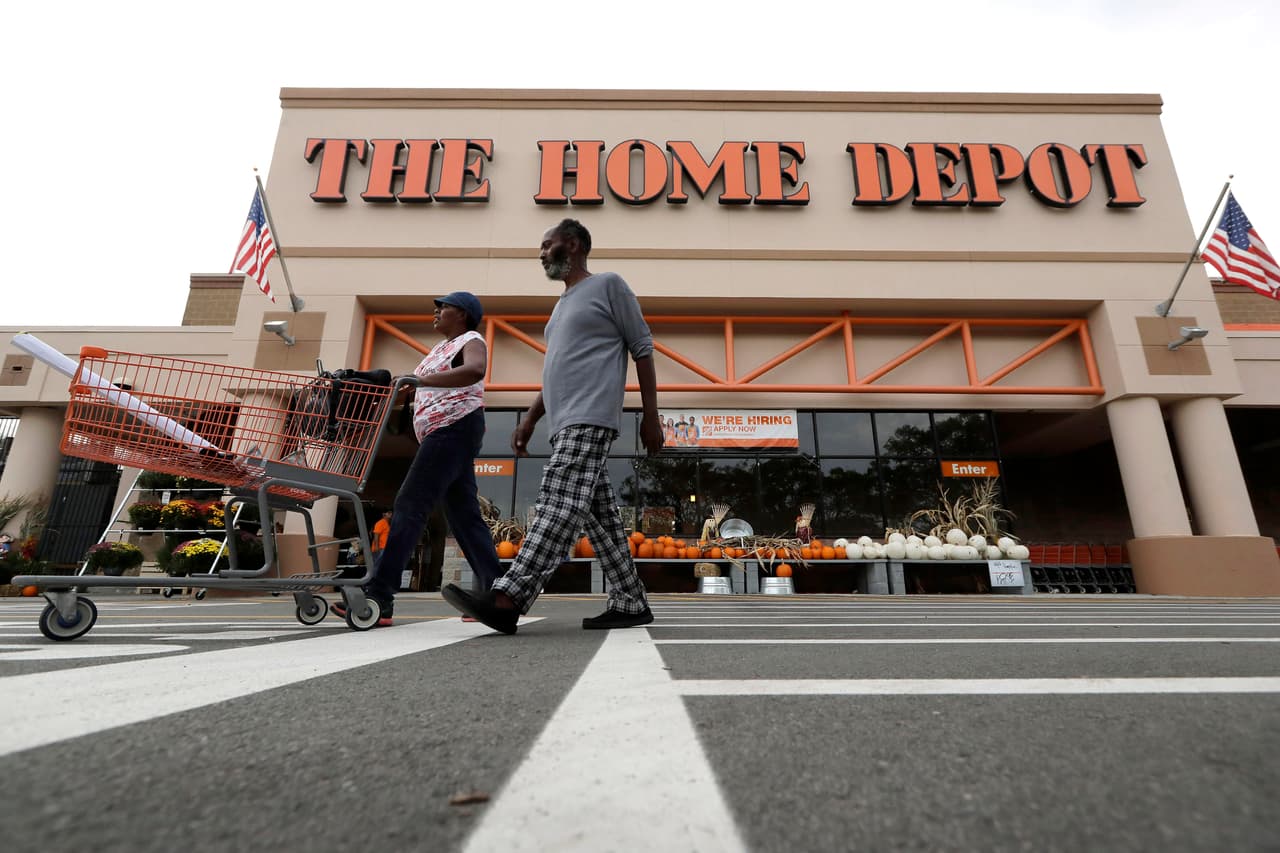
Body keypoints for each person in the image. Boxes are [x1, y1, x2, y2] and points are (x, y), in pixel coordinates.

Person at [442, 218, 663, 634]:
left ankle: (510, 595)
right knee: (600, 519)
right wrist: (529, 419)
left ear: (574, 245)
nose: (541, 252)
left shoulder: (609, 285)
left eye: (548, 245)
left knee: (557, 503)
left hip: (591, 415)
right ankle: (631, 601)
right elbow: (554, 372)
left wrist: (651, 416)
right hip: (563, 422)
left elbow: (644, 349)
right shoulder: (561, 307)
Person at [331, 291, 501, 627]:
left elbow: (476, 370)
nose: (436, 312)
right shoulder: (438, 351)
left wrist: (420, 380)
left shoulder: (471, 339)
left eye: (444, 307)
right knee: (464, 516)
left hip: (454, 428)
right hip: (445, 433)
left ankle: (379, 595)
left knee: (410, 504)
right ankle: (499, 594)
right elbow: (420, 385)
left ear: (463, 313)